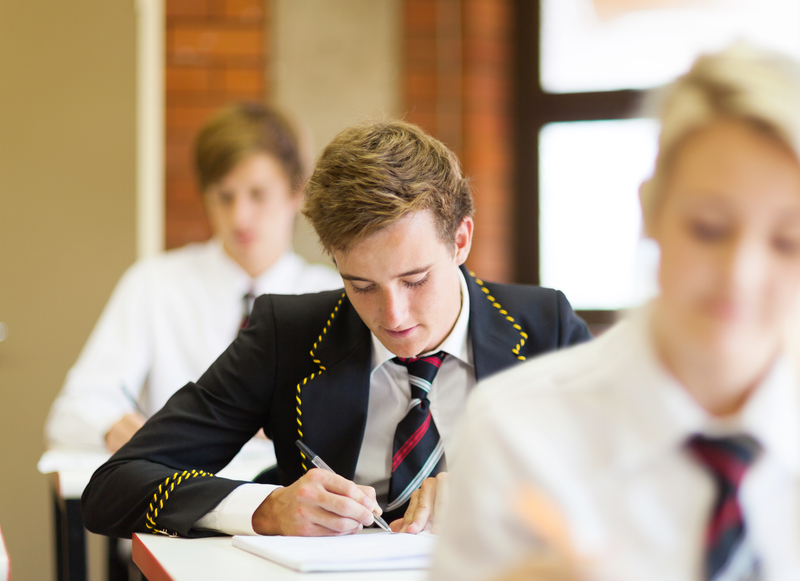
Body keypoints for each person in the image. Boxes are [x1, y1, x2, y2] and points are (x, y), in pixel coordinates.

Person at [401, 46, 800, 581]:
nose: (740, 275)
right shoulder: (521, 429)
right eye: (709, 229)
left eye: (789, 241)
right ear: (652, 213)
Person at [80, 119, 592, 540]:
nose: (393, 316)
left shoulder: (543, 325)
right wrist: (267, 509)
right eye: (362, 285)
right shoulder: (290, 334)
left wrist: (505, 491)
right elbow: (114, 488)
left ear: (461, 240)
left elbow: (643, 473)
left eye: (415, 280)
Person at [47, 102, 342, 453]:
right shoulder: (154, 284)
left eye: (258, 194)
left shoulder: (334, 296)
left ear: (296, 193)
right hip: (181, 497)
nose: (240, 218)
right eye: (224, 197)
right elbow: (71, 413)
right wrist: (113, 426)